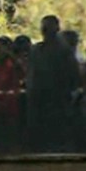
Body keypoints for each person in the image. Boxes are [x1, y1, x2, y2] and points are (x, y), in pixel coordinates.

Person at [26, 15, 80, 152]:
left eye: (48, 27)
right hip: (39, 98)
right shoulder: (36, 50)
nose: (45, 31)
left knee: (58, 131)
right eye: (44, 27)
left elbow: (73, 75)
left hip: (58, 98)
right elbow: (31, 74)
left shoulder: (64, 51)